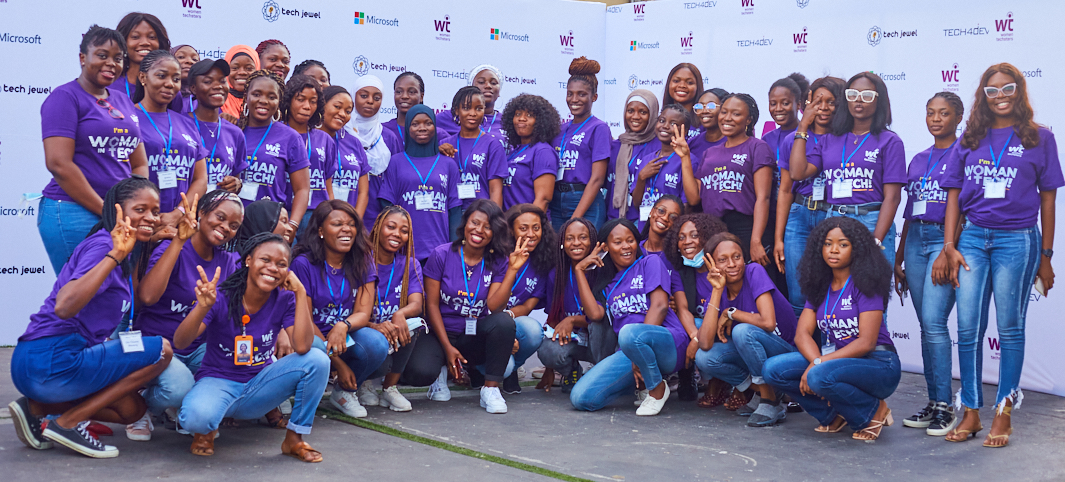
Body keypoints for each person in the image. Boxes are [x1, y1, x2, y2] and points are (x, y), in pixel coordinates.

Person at [940, 63, 1062, 447]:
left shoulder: (1039, 137)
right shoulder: (969, 138)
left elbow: (1048, 200)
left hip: (1018, 240)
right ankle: (971, 410)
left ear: (1019, 91)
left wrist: (1046, 255)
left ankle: (1004, 411)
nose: (1000, 96)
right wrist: (949, 245)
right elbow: (953, 196)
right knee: (968, 327)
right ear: (983, 96)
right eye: (992, 90)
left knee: (1009, 327)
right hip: (973, 238)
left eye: (1007, 88)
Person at [9, 177, 171, 458]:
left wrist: (160, 241)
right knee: (162, 351)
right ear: (117, 210)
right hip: (50, 360)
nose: (151, 218)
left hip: (42, 366)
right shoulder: (104, 247)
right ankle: (68, 423)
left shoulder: (124, 250)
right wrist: (114, 255)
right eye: (140, 209)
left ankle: (36, 408)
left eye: (155, 212)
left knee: (132, 410)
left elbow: (139, 294)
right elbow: (64, 307)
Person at [176, 232, 329, 462]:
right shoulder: (221, 296)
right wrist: (202, 307)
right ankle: (206, 429)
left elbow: (302, 346)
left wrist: (300, 293)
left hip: (260, 385)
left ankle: (294, 438)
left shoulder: (285, 298)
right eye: (265, 260)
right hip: (218, 381)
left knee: (318, 359)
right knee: (195, 418)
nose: (272, 268)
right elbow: (181, 342)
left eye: (281, 264)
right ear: (248, 260)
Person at [763, 216, 900, 442]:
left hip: (879, 364)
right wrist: (817, 361)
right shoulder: (820, 286)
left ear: (857, 249)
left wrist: (819, 364)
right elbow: (802, 334)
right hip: (837, 361)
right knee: (773, 369)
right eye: (828, 244)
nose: (833, 250)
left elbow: (866, 342)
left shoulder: (866, 284)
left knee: (818, 375)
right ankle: (832, 415)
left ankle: (873, 411)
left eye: (843, 245)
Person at [132, 191, 243, 439]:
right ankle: (139, 406)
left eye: (233, 225)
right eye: (220, 217)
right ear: (201, 213)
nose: (225, 227)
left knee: (234, 370)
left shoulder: (228, 261)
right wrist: (179, 241)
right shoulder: (172, 248)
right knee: (178, 388)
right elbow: (147, 297)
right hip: (156, 344)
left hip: (196, 347)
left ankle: (185, 408)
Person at [38, 25, 148, 273]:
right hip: (73, 212)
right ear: (82, 58)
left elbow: (139, 163)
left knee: (112, 292)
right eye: (102, 55)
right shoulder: (65, 97)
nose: (111, 63)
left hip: (118, 216)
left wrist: (134, 204)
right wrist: (106, 212)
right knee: (81, 291)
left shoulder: (122, 100)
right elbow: (58, 164)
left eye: (118, 58)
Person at [892, 92, 965, 436]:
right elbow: (910, 212)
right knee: (926, 325)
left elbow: (962, 209)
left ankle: (946, 406)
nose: (936, 119)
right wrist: (899, 256)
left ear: (959, 118)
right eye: (931, 112)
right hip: (916, 240)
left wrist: (948, 250)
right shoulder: (919, 159)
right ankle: (935, 402)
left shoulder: (965, 154)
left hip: (943, 240)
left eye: (944, 113)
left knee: (935, 323)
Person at [405, 200, 520, 413]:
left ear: (495, 232)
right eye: (475, 223)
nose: (479, 230)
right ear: (465, 223)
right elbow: (431, 305)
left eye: (488, 227)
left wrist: (512, 270)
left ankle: (490, 390)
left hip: (472, 333)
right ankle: (441, 370)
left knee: (504, 323)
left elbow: (495, 307)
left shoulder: (499, 260)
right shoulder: (442, 254)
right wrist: (447, 348)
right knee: (420, 372)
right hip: (439, 332)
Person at [568, 219, 689, 416]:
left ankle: (657, 389)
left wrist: (637, 349)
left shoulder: (650, 262)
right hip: (630, 348)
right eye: (618, 242)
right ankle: (641, 385)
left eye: (630, 240)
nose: (626, 246)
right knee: (581, 398)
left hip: (667, 342)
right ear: (606, 248)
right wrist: (579, 271)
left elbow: (660, 306)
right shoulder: (607, 285)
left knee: (629, 333)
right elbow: (594, 314)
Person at [788, 72, 905, 276]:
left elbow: (893, 197)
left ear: (879, 101)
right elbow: (798, 173)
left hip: (870, 221)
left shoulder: (890, 141)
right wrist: (803, 125)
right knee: (836, 289)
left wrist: (876, 239)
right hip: (834, 222)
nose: (858, 100)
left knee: (870, 290)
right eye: (852, 95)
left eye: (866, 95)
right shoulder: (829, 140)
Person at [291, 201, 389, 419]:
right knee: (313, 345)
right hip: (312, 335)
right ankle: (295, 393)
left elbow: (363, 312)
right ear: (320, 231)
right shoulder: (303, 264)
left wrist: (342, 326)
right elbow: (304, 319)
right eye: (337, 224)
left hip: (345, 336)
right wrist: (338, 365)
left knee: (376, 343)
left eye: (351, 224)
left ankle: (343, 393)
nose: (347, 229)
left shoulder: (363, 260)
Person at [680, 93, 784, 291]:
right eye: (724, 112)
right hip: (714, 230)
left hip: (747, 227)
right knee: (724, 289)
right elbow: (694, 198)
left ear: (748, 120)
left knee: (757, 286)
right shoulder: (709, 153)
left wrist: (756, 240)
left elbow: (763, 198)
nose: (727, 118)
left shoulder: (757, 147)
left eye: (736, 114)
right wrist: (685, 158)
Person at [693, 232, 798, 427]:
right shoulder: (720, 288)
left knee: (741, 332)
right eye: (723, 260)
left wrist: (731, 313)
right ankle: (764, 392)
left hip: (785, 353)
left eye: (737, 257)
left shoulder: (754, 271)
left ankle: (770, 400)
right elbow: (705, 343)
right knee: (704, 358)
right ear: (712, 265)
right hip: (757, 354)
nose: (732, 264)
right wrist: (716, 290)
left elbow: (768, 322)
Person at [775, 76, 845, 316]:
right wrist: (778, 238)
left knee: (831, 290)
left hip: (832, 215)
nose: (823, 108)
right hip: (799, 215)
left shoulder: (845, 138)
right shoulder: (791, 139)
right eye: (817, 101)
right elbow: (785, 189)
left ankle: (827, 341)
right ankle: (799, 341)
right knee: (798, 294)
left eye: (831, 102)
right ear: (807, 103)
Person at [358, 205, 424, 411]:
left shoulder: (410, 264)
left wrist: (400, 314)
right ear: (378, 227)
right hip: (364, 331)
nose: (397, 234)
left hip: (393, 331)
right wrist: (374, 326)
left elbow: (416, 304)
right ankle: (364, 384)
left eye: (404, 231)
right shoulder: (360, 261)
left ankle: (389, 388)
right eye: (391, 227)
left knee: (413, 324)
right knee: (377, 352)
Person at [377, 105, 462, 264]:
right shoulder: (396, 161)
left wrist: (453, 249)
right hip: (404, 248)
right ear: (407, 128)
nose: (422, 128)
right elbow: (386, 203)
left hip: (439, 249)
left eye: (428, 123)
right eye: (415, 124)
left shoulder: (448, 164)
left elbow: (455, 210)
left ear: (435, 127)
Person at [662, 213, 730, 407]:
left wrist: (698, 339)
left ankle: (728, 383)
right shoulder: (681, 271)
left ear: (707, 237)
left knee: (699, 327)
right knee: (686, 323)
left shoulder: (723, 266)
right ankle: (692, 377)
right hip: (703, 330)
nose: (687, 242)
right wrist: (695, 337)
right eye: (681, 237)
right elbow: (683, 309)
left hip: (728, 330)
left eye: (694, 235)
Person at [132, 50, 208, 220]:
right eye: (161, 76)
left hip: (179, 223)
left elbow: (201, 179)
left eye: (176, 79)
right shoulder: (128, 119)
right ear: (143, 77)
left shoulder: (187, 124)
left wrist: (177, 214)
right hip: (139, 220)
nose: (170, 84)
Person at [637, 195, 700, 401]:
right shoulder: (633, 249)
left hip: (669, 316)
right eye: (661, 211)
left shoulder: (675, 257)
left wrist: (695, 337)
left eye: (673, 217)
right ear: (652, 212)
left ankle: (686, 372)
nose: (665, 218)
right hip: (636, 313)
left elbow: (683, 301)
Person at [236, 70, 310, 240]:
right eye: (256, 94)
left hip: (270, 226)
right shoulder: (232, 130)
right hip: (232, 222)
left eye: (271, 97)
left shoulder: (290, 137)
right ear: (246, 97)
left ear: (279, 101)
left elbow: (302, 189)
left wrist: (292, 225)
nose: (263, 101)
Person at [500, 204, 555, 394]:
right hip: (484, 319)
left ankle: (512, 369)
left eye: (536, 228)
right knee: (500, 365)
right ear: (511, 230)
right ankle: (479, 369)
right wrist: (500, 328)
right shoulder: (497, 254)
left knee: (533, 330)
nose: (531, 234)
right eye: (523, 228)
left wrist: (506, 322)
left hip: (512, 318)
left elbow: (528, 306)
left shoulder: (543, 261)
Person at [538, 218, 598, 392]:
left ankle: (601, 373)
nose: (576, 243)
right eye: (570, 238)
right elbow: (553, 319)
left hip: (601, 339)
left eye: (583, 237)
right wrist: (549, 368)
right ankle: (572, 370)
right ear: (562, 244)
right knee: (547, 350)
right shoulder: (556, 274)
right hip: (575, 339)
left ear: (592, 241)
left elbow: (602, 318)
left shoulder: (602, 270)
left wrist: (572, 320)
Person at [553, 57, 610, 231]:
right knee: (557, 247)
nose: (574, 99)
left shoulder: (599, 128)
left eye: (581, 94)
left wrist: (575, 218)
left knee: (581, 244)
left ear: (594, 97)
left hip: (585, 200)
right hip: (556, 200)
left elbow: (597, 179)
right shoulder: (559, 129)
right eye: (570, 93)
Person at [280, 74, 335, 240]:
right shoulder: (278, 135)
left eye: (313, 101)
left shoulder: (325, 139)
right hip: (284, 212)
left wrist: (332, 212)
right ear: (288, 101)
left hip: (317, 214)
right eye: (300, 99)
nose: (307, 106)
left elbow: (328, 184)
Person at [438, 86, 508, 209]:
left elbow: (495, 191)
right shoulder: (445, 145)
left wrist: (493, 218)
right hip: (451, 214)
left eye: (479, 108)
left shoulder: (493, 145)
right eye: (466, 108)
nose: (473, 113)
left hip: (481, 214)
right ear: (457, 110)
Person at [188, 59, 247, 194]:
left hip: (220, 205)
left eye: (222, 81)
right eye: (208, 82)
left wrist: (236, 184)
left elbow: (236, 177)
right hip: (185, 205)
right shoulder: (179, 125)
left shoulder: (235, 133)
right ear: (193, 88)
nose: (218, 86)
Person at [631, 105, 691, 231]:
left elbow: (686, 205)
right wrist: (641, 178)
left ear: (685, 131)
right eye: (662, 120)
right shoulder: (647, 159)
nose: (665, 126)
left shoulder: (687, 161)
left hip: (669, 229)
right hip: (644, 228)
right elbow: (636, 204)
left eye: (673, 123)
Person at [352, 74, 400, 229]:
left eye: (377, 98)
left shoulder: (388, 137)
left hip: (378, 214)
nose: (370, 101)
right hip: (345, 209)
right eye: (364, 96)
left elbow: (394, 178)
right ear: (353, 97)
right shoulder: (342, 133)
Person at [501, 94, 560, 211]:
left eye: (529, 115)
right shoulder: (514, 151)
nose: (521, 119)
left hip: (527, 220)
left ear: (541, 122)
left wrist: (528, 222)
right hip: (508, 219)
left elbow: (543, 200)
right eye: (518, 114)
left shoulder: (543, 151)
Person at [607, 89, 659, 224]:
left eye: (643, 112)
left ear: (653, 115)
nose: (635, 117)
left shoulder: (659, 146)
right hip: (613, 218)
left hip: (642, 220)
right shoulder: (615, 145)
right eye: (630, 111)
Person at [319, 86, 370, 219]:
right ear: (322, 105)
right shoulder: (309, 139)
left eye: (348, 111)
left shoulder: (354, 143)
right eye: (337, 107)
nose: (343, 114)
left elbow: (363, 192)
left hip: (348, 221)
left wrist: (354, 222)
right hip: (316, 217)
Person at [111, 12, 170, 100]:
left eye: (152, 37)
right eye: (135, 37)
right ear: (122, 42)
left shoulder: (169, 88)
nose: (145, 42)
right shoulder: (109, 85)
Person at [382, 72, 425, 154]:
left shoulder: (434, 133)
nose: (404, 96)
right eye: (399, 92)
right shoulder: (381, 131)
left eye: (411, 92)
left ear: (421, 97)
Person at [661, 63, 704, 138]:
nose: (682, 85)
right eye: (676, 81)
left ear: (698, 87)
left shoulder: (704, 122)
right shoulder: (660, 121)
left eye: (689, 82)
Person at [687, 88, 729, 162]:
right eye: (700, 106)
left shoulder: (733, 141)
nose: (704, 111)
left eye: (711, 106)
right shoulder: (692, 143)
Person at [221, 45, 260, 120]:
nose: (242, 72)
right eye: (235, 68)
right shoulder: (217, 101)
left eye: (249, 68)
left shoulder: (263, 102)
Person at [469, 64, 505, 134]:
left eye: (493, 83)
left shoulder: (508, 122)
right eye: (481, 82)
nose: (488, 86)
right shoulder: (455, 117)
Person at [170, 44, 199, 114]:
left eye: (194, 59)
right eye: (181, 57)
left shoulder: (205, 101)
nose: (189, 61)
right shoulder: (158, 97)